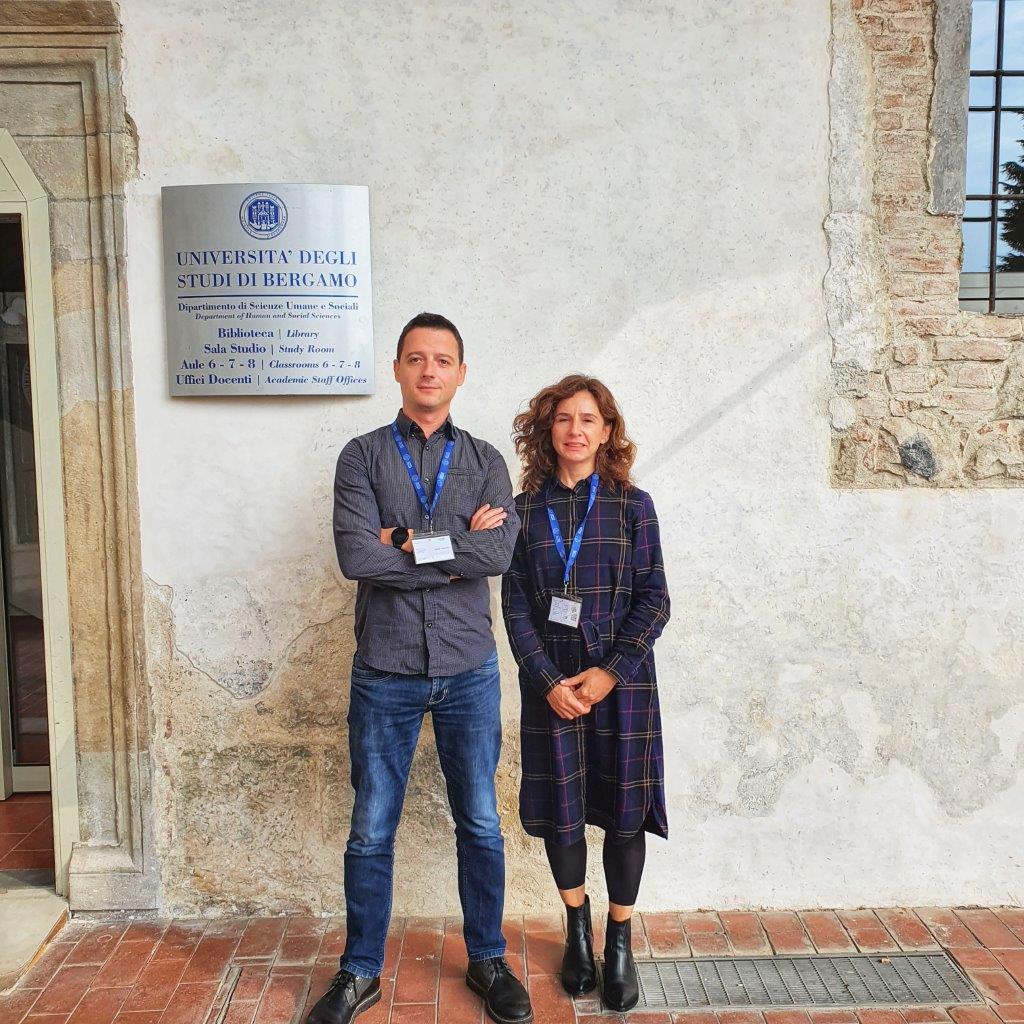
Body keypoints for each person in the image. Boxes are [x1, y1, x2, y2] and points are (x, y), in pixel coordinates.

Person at [308, 313, 533, 1024]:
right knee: (371, 827)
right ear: (398, 370)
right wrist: (454, 544)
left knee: (481, 822)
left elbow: (498, 555)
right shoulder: (361, 457)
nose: (429, 370)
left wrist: (403, 540)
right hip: (387, 667)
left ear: (461, 373)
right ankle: (359, 972)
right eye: (415, 358)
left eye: (442, 360)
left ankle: (488, 959)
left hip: (469, 668)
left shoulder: (487, 461)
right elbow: (356, 557)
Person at [501, 374, 670, 1013]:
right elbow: (515, 604)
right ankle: (577, 927)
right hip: (552, 687)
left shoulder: (634, 506)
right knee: (562, 811)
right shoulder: (523, 512)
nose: (576, 429)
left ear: (606, 432)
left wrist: (610, 673)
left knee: (625, 813)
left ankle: (619, 941)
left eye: (588, 419)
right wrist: (547, 681)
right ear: (547, 430)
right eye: (564, 418)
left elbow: (655, 600)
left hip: (621, 688)